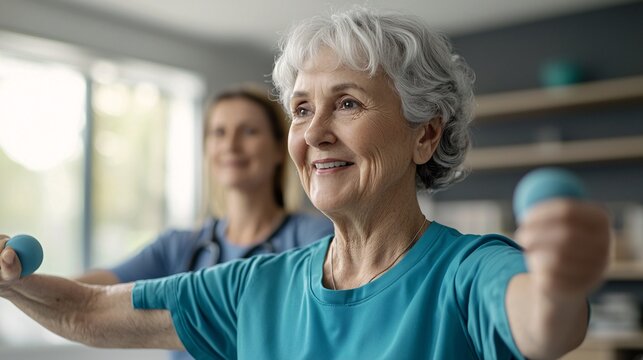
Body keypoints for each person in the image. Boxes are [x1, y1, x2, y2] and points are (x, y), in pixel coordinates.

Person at [0, 7, 611, 360]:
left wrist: (560, 283)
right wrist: (7, 281)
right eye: (299, 109)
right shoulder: (254, 287)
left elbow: (544, 326)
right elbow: (86, 310)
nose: (314, 132)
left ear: (424, 135)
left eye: (346, 104)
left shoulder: (469, 270)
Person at [76, 86, 334, 359]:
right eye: (219, 133)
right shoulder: (177, 246)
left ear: (280, 148)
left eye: (249, 132)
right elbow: (87, 295)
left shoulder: (315, 237)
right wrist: (26, 275)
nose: (230, 146)